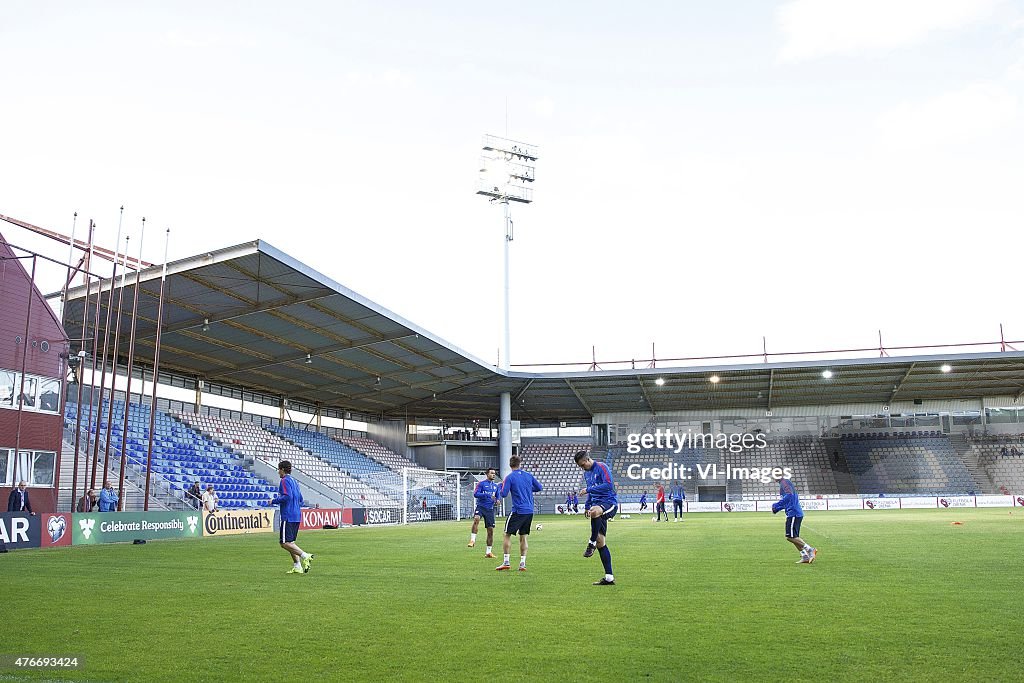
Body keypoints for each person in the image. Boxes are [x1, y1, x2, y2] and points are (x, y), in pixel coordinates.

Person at [575, 450, 618, 586]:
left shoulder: (602, 467)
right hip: (596, 505)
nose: (582, 468)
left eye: (583, 465)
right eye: (580, 466)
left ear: (588, 460)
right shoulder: (587, 473)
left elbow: (608, 485)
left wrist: (588, 491)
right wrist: (587, 506)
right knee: (602, 542)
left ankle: (591, 542)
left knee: (595, 512)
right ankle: (609, 577)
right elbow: (590, 491)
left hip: (609, 503)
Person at [494, 455, 542, 572]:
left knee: (507, 534)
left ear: (510, 465)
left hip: (518, 510)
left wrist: (500, 487)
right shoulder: (528, 475)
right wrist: (528, 489)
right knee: (523, 536)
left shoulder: (509, 477)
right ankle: (522, 564)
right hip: (529, 511)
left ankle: (506, 562)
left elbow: (504, 494)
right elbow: (539, 487)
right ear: (520, 464)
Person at [270, 460, 314, 574]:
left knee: (284, 543)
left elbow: (287, 497)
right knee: (291, 542)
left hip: (288, 515)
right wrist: (294, 507)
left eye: (279, 469)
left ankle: (305, 556)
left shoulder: (284, 481)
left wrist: (274, 501)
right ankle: (297, 566)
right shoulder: (294, 481)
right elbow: (300, 499)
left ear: (282, 470)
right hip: (296, 515)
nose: (278, 472)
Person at [771, 477, 816, 564]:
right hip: (794, 513)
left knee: (790, 537)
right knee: (795, 537)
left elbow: (789, 496)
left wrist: (777, 505)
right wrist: (777, 508)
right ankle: (805, 556)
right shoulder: (783, 484)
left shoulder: (784, 483)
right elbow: (788, 500)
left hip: (793, 513)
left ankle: (810, 549)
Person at [468, 468, 501, 557]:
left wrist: (498, 500)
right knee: (476, 519)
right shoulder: (481, 484)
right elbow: (475, 494)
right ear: (487, 474)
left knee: (490, 531)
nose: (493, 475)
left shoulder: (496, 486)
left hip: (490, 509)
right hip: (481, 507)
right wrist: (485, 495)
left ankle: (488, 552)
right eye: (492, 473)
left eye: (494, 473)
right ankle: (472, 540)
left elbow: (498, 497)